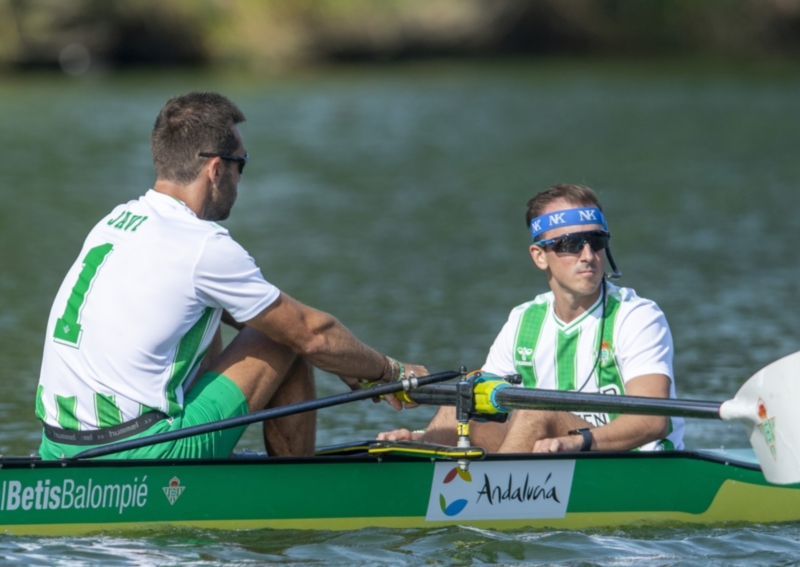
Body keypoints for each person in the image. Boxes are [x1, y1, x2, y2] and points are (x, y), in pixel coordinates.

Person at [35, 91, 426, 460]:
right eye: (242, 164)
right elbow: (310, 333)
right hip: (140, 452)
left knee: (226, 318)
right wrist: (390, 371)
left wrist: (346, 361)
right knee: (285, 339)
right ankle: (296, 491)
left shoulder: (115, 223)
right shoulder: (203, 245)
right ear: (216, 169)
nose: (241, 178)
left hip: (59, 449)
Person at [378, 184, 683, 452]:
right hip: (557, 458)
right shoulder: (524, 321)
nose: (588, 255)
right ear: (539, 256)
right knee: (463, 397)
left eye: (597, 241)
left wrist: (577, 441)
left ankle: (490, 496)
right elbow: (483, 407)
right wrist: (425, 437)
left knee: (535, 411)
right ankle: (424, 471)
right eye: (571, 244)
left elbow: (652, 421)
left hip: (634, 465)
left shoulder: (636, 316)